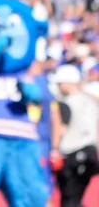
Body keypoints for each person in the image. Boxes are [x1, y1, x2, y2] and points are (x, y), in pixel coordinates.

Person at [53, 64, 99, 207]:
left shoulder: (66, 103)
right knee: (76, 198)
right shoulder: (91, 101)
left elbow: (60, 128)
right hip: (90, 153)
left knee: (69, 199)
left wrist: (54, 149)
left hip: (72, 153)